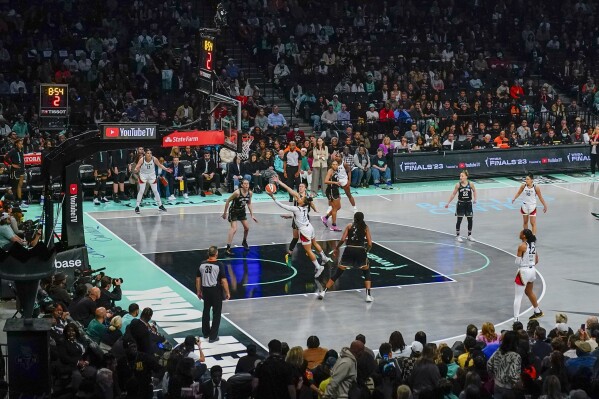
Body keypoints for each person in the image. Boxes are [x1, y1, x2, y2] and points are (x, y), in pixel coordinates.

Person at [266, 177, 331, 278]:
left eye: (300, 199)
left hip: (304, 230)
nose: (298, 198)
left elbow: (281, 205)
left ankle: (318, 267)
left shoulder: (296, 208)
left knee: (308, 251)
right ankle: (324, 257)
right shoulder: (304, 206)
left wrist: (272, 197)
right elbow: (302, 209)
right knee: (314, 243)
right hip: (309, 226)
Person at [319, 212, 373, 302]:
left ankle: (323, 292)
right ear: (363, 219)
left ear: (354, 218)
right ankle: (368, 295)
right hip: (360, 250)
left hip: (349, 250)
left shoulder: (349, 226)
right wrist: (366, 251)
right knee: (366, 272)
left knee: (338, 273)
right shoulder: (365, 227)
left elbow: (343, 239)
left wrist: (336, 248)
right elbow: (370, 243)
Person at [196, 246, 230, 343]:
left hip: (205, 290)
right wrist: (227, 292)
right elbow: (223, 280)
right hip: (216, 291)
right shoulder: (219, 265)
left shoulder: (202, 264)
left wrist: (198, 291)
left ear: (208, 253)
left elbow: (198, 279)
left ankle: (206, 333)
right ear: (216, 254)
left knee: (206, 311)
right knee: (216, 313)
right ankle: (213, 336)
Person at [513, 229, 543, 321]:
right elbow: (536, 260)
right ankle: (537, 311)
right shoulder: (533, 245)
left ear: (524, 236)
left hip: (523, 272)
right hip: (532, 271)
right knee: (529, 292)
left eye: (521, 232)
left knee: (518, 296)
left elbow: (517, 262)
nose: (519, 233)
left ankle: (516, 319)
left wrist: (524, 262)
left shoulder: (522, 246)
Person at [222, 179, 258, 255]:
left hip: (241, 211)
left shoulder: (250, 193)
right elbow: (228, 201)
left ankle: (244, 242)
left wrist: (252, 215)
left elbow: (249, 203)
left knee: (247, 228)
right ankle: (228, 248)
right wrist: (225, 213)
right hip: (234, 211)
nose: (246, 185)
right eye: (245, 184)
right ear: (241, 185)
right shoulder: (237, 193)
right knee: (234, 228)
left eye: (247, 184)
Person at [133, 149, 172, 214]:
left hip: (152, 175)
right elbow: (137, 166)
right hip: (143, 175)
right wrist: (135, 169)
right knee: (141, 191)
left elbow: (159, 165)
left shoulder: (154, 159)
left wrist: (166, 169)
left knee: (155, 191)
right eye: (148, 153)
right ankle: (137, 207)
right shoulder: (142, 159)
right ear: (145, 154)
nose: (149, 154)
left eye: (150, 153)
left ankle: (160, 205)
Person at [444, 170, 478, 242]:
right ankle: (458, 236)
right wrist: (448, 203)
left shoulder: (471, 184)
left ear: (466, 176)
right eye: (460, 176)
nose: (460, 177)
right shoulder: (458, 185)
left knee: (470, 220)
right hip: (461, 204)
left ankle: (469, 235)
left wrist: (475, 199)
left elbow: (474, 191)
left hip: (468, 204)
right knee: (459, 220)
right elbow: (453, 194)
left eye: (462, 176)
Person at [321, 159, 343, 232]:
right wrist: (335, 183)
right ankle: (333, 225)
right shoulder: (330, 171)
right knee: (334, 208)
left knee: (338, 207)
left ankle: (326, 217)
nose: (335, 165)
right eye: (333, 164)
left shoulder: (337, 171)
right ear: (331, 165)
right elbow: (325, 181)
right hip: (331, 191)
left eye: (336, 164)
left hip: (335, 190)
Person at [4, 138, 27, 207]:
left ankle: (20, 201)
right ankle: (13, 202)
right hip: (15, 171)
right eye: (19, 143)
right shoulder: (13, 150)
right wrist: (12, 164)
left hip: (22, 170)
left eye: (21, 144)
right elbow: (6, 157)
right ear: (16, 144)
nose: (21, 145)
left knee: (20, 186)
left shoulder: (21, 151)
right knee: (14, 187)